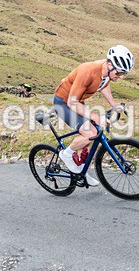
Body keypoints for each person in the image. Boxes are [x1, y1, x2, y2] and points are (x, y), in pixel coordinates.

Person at [53, 45, 133, 186]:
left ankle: (80, 171)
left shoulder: (106, 72)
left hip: (78, 101)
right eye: (119, 73)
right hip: (64, 103)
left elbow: (104, 84)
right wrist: (96, 117)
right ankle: (66, 154)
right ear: (109, 65)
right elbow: (72, 102)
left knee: (91, 134)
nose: (119, 77)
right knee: (90, 131)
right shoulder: (87, 71)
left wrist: (114, 105)